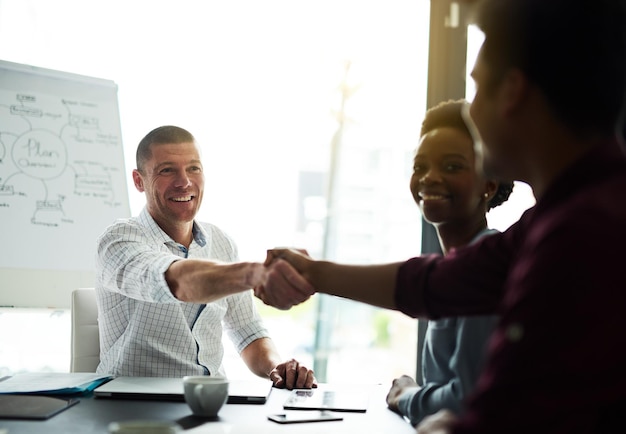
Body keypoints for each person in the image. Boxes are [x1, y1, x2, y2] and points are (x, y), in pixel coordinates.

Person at [256, 0, 626, 431]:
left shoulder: (583, 233)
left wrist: (429, 414)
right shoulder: (558, 218)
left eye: (476, 90)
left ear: (511, 92)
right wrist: (311, 272)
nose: (472, 115)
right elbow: (436, 282)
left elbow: (495, 410)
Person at [95, 125, 316, 390]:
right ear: (139, 180)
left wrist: (276, 368)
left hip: (211, 401)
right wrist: (259, 274)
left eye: (193, 168)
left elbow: (247, 330)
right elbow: (177, 281)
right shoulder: (119, 241)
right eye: (167, 170)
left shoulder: (221, 243)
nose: (184, 181)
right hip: (134, 404)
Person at [385, 99, 513, 426]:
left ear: (489, 184)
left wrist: (407, 395)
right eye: (420, 166)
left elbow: (466, 398)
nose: (430, 178)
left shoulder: (486, 266)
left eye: (452, 166)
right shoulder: (455, 264)